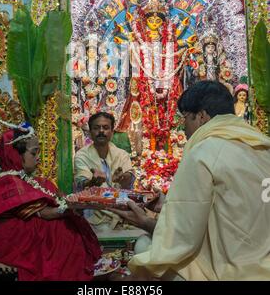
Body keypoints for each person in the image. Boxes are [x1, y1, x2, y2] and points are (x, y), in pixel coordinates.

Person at [112, 80, 270, 280]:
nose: (184, 129)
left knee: (145, 247)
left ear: (202, 117)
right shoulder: (262, 146)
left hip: (231, 271)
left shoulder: (204, 151)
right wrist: (166, 206)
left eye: (184, 119)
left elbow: (181, 239)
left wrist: (133, 279)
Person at [0, 127, 101, 281]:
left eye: (39, 152)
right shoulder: (8, 183)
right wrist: (70, 207)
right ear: (16, 155)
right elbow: (46, 214)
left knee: (64, 227)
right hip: (4, 239)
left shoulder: (30, 180)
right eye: (33, 153)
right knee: (58, 231)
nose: (38, 157)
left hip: (19, 233)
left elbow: (56, 202)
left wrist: (75, 202)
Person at [74, 112, 135, 229]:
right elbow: (81, 183)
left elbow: (129, 178)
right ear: (90, 132)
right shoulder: (82, 155)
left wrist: (123, 178)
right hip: (94, 211)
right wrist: (93, 181)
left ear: (112, 132)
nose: (101, 131)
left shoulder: (122, 155)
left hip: (121, 210)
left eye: (106, 128)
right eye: (96, 128)